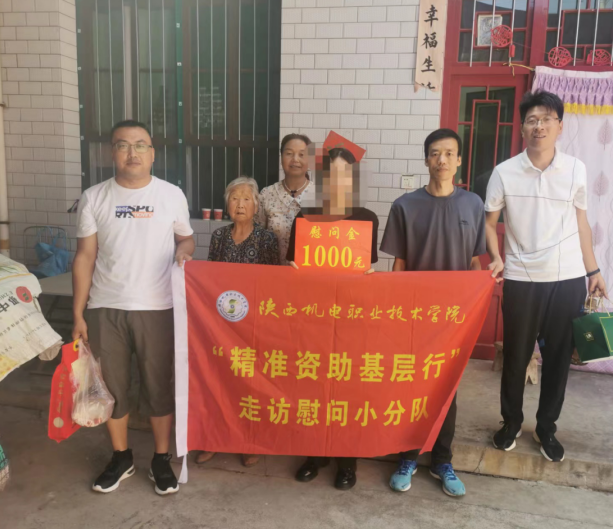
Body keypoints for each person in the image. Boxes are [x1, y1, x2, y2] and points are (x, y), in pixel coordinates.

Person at [72, 119, 195, 496]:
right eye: (123, 145)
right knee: (113, 387)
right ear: (112, 152)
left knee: (158, 386)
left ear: (152, 153)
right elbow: (85, 256)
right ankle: (121, 457)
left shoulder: (171, 194)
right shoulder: (94, 197)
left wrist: (183, 253)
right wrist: (78, 314)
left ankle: (160, 458)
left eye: (140, 145)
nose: (132, 152)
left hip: (158, 307)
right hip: (105, 307)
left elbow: (186, 239)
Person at [484, 90, 607, 463]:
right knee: (516, 357)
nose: (539, 126)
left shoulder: (575, 169)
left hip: (567, 278)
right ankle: (510, 424)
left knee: (557, 359)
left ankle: (546, 428)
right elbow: (489, 222)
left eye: (546, 119)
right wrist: (496, 257)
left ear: (560, 126)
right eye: (532, 120)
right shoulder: (504, 172)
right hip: (521, 279)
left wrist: (593, 270)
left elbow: (582, 223)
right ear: (522, 127)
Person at [380, 128, 486, 498]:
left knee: (447, 388)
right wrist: (395, 315)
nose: (442, 160)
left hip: (455, 319)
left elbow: (475, 262)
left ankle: (442, 461)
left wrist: (479, 296)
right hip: (414, 317)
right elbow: (400, 264)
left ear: (459, 160)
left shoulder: (472, 205)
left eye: (449, 153)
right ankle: (408, 456)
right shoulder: (405, 206)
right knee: (412, 385)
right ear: (426, 159)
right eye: (435, 153)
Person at [287, 138, 379, 491]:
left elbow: (367, 270)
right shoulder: (305, 218)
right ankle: (315, 455)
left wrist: (370, 277)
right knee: (313, 387)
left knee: (347, 390)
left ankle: (347, 461)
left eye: (345, 175)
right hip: (315, 317)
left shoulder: (366, 219)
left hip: (351, 319)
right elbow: (294, 269)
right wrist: (293, 270)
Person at [195, 176, 279, 466]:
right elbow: (210, 280)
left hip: (253, 326)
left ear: (256, 206)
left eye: (246, 199)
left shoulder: (267, 239)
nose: (240, 204)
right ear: (227, 204)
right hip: (222, 325)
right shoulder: (219, 236)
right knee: (219, 383)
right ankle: (215, 438)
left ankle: (249, 441)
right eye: (234, 198)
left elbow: (273, 285)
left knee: (250, 386)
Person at [256, 134, 315, 265]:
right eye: (289, 153)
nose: (295, 159)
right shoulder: (267, 194)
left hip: (309, 274)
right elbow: (257, 236)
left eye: (301, 154)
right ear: (281, 157)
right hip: (272, 272)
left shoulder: (321, 197)